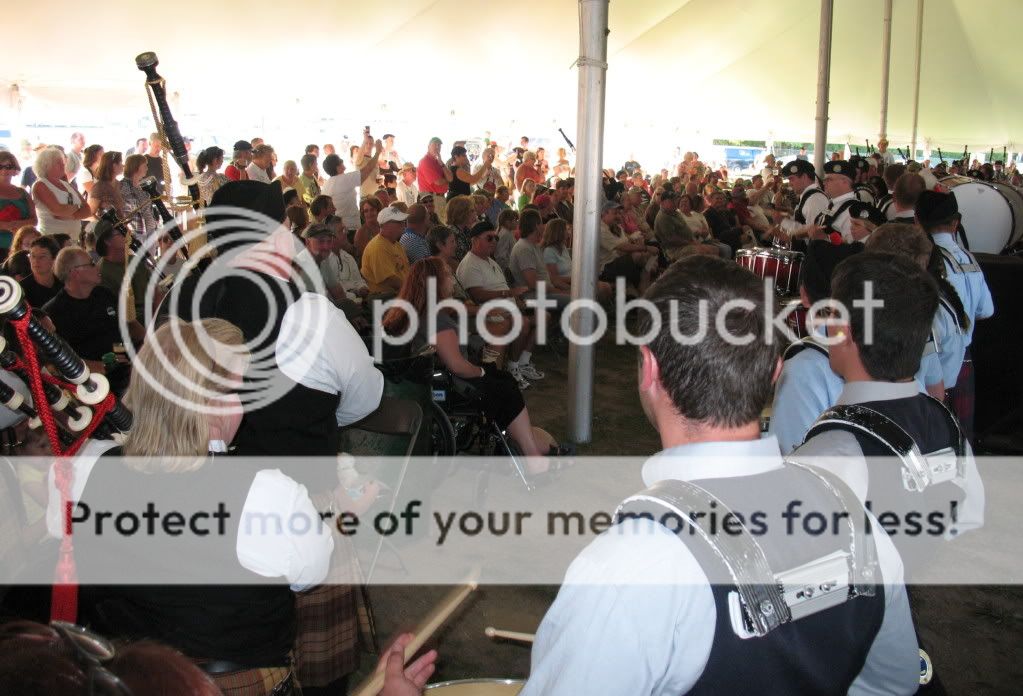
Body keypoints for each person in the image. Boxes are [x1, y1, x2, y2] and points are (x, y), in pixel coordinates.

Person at [519, 255, 918, 696]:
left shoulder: (628, 568)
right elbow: (893, 683)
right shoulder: (860, 523)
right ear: (776, 372)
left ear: (649, 369)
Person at [383, 257, 552, 466]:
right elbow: (457, 365)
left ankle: (529, 444)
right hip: (450, 385)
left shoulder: (407, 311)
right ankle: (532, 452)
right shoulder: (436, 318)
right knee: (506, 386)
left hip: (419, 381)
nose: (452, 279)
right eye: (447, 275)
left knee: (501, 379)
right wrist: (481, 372)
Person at [915, 190, 994, 441]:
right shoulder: (969, 258)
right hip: (963, 357)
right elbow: (986, 311)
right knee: (960, 438)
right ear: (955, 222)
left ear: (917, 220)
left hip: (931, 359)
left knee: (932, 437)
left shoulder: (923, 260)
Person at [456, 222, 544, 387]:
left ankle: (521, 363)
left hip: (508, 307)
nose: (494, 242)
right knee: (522, 323)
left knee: (543, 316)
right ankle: (510, 368)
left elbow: (503, 287)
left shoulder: (490, 261)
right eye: (489, 238)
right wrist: (508, 294)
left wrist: (516, 299)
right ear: (475, 240)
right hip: (488, 311)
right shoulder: (470, 264)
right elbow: (477, 295)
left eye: (496, 238)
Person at [43, 246, 143, 391]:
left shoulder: (104, 294)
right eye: (91, 263)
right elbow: (54, 361)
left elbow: (127, 326)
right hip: (94, 384)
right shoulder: (55, 312)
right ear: (75, 272)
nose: (97, 267)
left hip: (127, 369)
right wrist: (99, 365)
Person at [322, 135, 384, 237]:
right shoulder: (344, 180)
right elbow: (367, 169)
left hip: (336, 229)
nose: (343, 161)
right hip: (350, 228)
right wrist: (377, 152)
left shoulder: (326, 185)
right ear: (338, 167)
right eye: (341, 161)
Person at [509, 209, 569, 310]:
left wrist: (566, 289)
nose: (543, 226)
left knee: (577, 296)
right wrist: (559, 292)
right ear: (536, 226)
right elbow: (533, 284)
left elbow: (547, 277)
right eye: (541, 223)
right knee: (574, 301)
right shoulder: (524, 248)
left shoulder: (533, 246)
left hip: (543, 294)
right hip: (533, 298)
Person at [598, 201, 657, 295]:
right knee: (639, 257)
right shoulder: (600, 229)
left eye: (619, 213)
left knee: (648, 257)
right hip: (606, 268)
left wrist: (640, 245)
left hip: (618, 261)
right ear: (604, 213)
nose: (618, 216)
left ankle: (643, 286)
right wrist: (645, 248)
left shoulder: (616, 227)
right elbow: (622, 247)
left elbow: (626, 243)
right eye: (615, 213)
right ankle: (644, 286)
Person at [31, 148, 91, 236]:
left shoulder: (67, 185)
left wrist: (72, 216)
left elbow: (87, 210)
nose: (63, 165)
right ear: (46, 165)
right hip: (53, 237)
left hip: (73, 238)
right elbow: (58, 211)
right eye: (58, 163)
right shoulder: (40, 185)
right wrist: (77, 208)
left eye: (62, 162)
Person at [361, 205, 410, 296]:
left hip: (400, 293)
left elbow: (406, 270)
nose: (403, 224)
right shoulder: (378, 247)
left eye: (403, 221)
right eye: (399, 222)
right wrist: (412, 289)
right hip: (387, 297)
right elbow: (390, 280)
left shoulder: (395, 243)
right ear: (386, 225)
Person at [0, 152, 37, 249]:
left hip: (20, 247)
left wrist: (17, 224)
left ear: (14, 169)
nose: (4, 170)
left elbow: (34, 220)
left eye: (8, 166)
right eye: (0, 167)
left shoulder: (23, 193)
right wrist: (7, 225)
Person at [119, 154, 159, 240]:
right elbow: (129, 209)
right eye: (145, 165)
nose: (147, 168)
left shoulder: (141, 185)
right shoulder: (124, 185)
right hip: (137, 231)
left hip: (149, 231)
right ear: (136, 166)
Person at [20, 236, 63, 308]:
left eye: (42, 257)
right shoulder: (22, 290)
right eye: (33, 256)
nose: (36, 261)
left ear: (54, 259)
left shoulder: (63, 284)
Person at [417, 137, 452, 223]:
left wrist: (441, 162)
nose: (437, 147)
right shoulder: (425, 161)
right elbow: (438, 182)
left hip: (438, 198)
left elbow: (450, 177)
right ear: (428, 146)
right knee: (438, 224)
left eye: (439, 145)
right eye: (435, 144)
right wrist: (447, 180)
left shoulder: (438, 161)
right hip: (431, 199)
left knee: (442, 223)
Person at [87, 151, 125, 217]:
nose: (123, 165)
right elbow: (90, 213)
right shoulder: (99, 187)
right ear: (114, 166)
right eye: (121, 162)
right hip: (107, 223)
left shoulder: (118, 183)